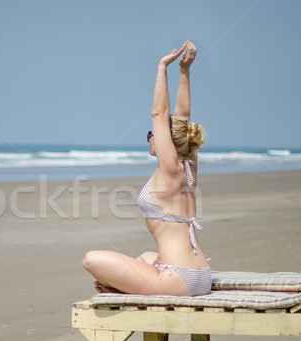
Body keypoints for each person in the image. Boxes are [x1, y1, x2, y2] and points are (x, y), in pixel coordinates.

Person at [82, 41, 211, 296]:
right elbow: (182, 117)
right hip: (200, 274)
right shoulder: (189, 165)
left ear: (166, 141)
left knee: (91, 259)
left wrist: (163, 67)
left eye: (153, 134)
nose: (152, 137)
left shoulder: (169, 169)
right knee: (144, 257)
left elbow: (159, 113)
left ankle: (122, 288)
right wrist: (185, 71)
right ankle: (124, 284)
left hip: (178, 279)